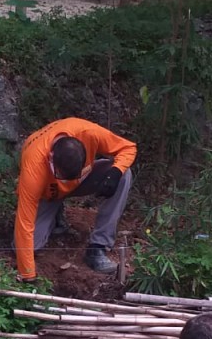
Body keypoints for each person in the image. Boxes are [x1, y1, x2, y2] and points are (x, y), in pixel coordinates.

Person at [14, 117, 137, 281]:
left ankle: (98, 246)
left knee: (124, 174)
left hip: (81, 181)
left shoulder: (89, 133)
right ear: (51, 157)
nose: (67, 181)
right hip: (48, 193)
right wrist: (27, 274)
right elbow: (24, 223)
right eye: (63, 177)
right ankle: (54, 215)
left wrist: (115, 173)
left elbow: (128, 148)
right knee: (23, 247)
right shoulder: (33, 168)